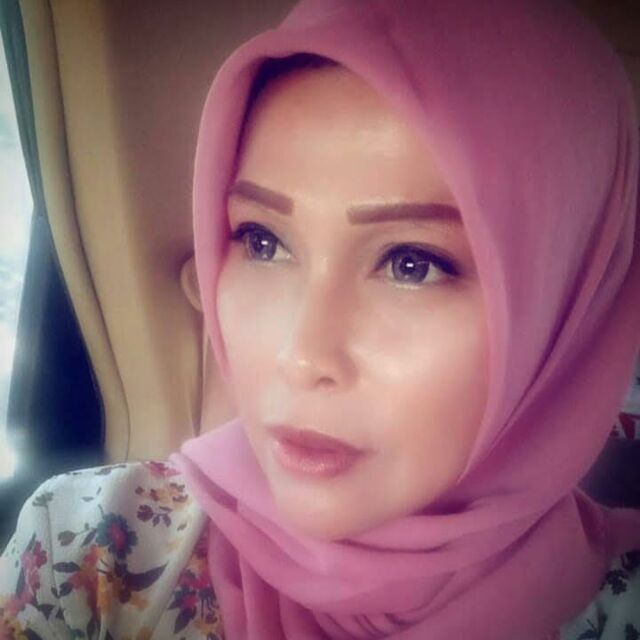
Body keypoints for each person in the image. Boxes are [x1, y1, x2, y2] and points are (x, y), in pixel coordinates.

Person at [2, 0, 640, 638]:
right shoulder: (90, 554)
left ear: (565, 312)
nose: (301, 356)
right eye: (262, 242)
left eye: (412, 264)